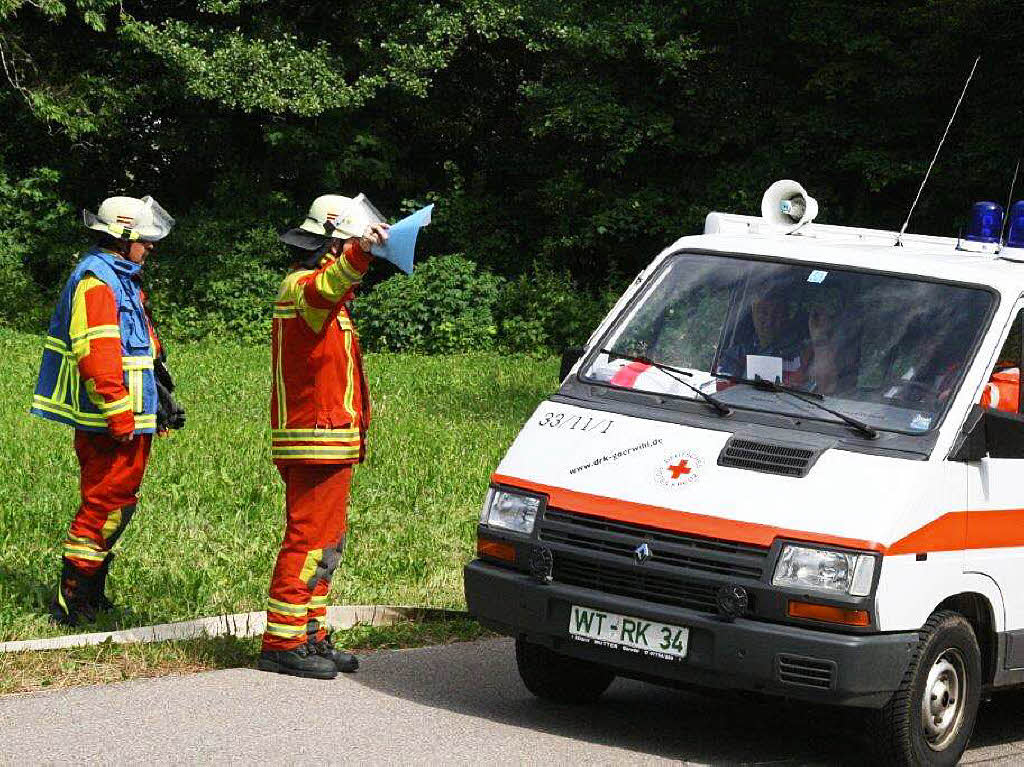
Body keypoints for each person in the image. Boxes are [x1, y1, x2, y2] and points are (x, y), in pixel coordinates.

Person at [259, 194, 389, 680]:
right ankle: (281, 641)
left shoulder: (330, 300)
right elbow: (325, 287)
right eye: (350, 246)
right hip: (313, 438)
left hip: (331, 438)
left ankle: (309, 633)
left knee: (328, 542)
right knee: (309, 539)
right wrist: (360, 253)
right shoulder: (303, 287)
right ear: (333, 244)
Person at [31, 195, 176, 625]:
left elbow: (142, 347)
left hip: (129, 415)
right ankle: (72, 596)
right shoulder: (98, 280)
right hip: (111, 419)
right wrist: (119, 413)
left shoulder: (121, 276)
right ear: (123, 237)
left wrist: (160, 400)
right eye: (145, 240)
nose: (150, 247)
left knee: (115, 502)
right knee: (106, 504)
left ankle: (91, 593)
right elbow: (96, 351)